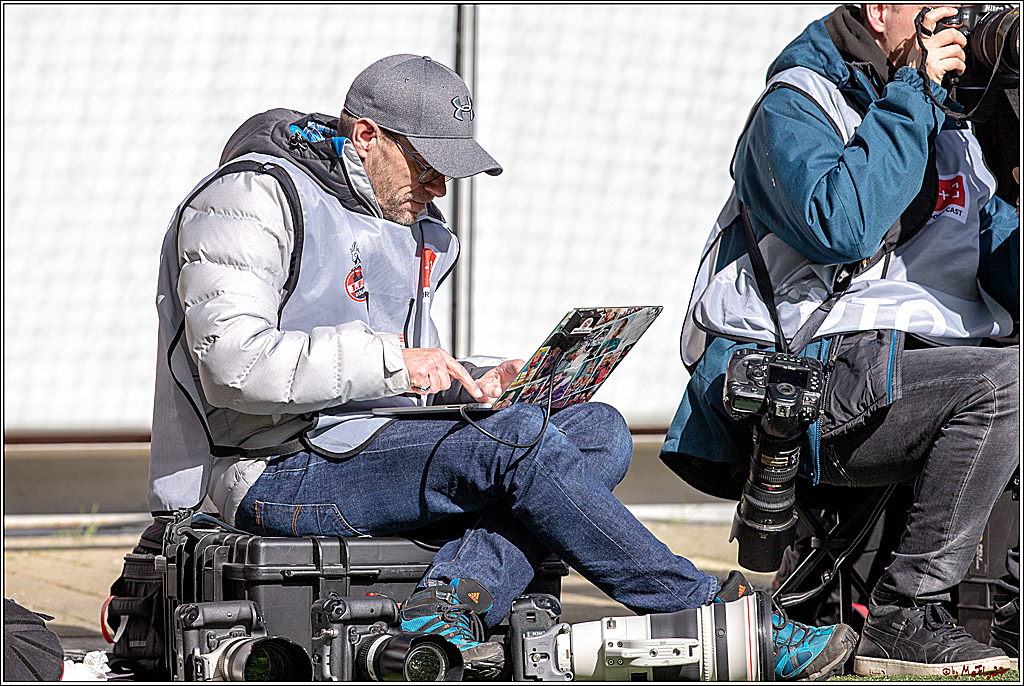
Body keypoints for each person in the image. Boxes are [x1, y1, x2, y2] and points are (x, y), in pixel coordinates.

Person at [149, 53, 857, 679]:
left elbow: (381, 371)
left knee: (599, 430)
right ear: (365, 136)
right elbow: (234, 368)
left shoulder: (402, 222)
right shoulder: (247, 198)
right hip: (266, 470)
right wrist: (402, 367)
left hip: (357, 447)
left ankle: (448, 602)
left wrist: (474, 376)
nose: (439, 188)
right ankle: (709, 612)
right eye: (426, 165)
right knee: (518, 443)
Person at [661, 4, 1019, 678]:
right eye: (934, 11)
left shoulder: (951, 125)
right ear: (881, 12)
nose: (954, 27)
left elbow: (999, 259)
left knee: (1004, 374)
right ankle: (905, 617)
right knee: (1008, 384)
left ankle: (1002, 610)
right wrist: (913, 90)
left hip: (915, 375)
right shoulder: (797, 104)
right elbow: (842, 225)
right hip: (804, 381)